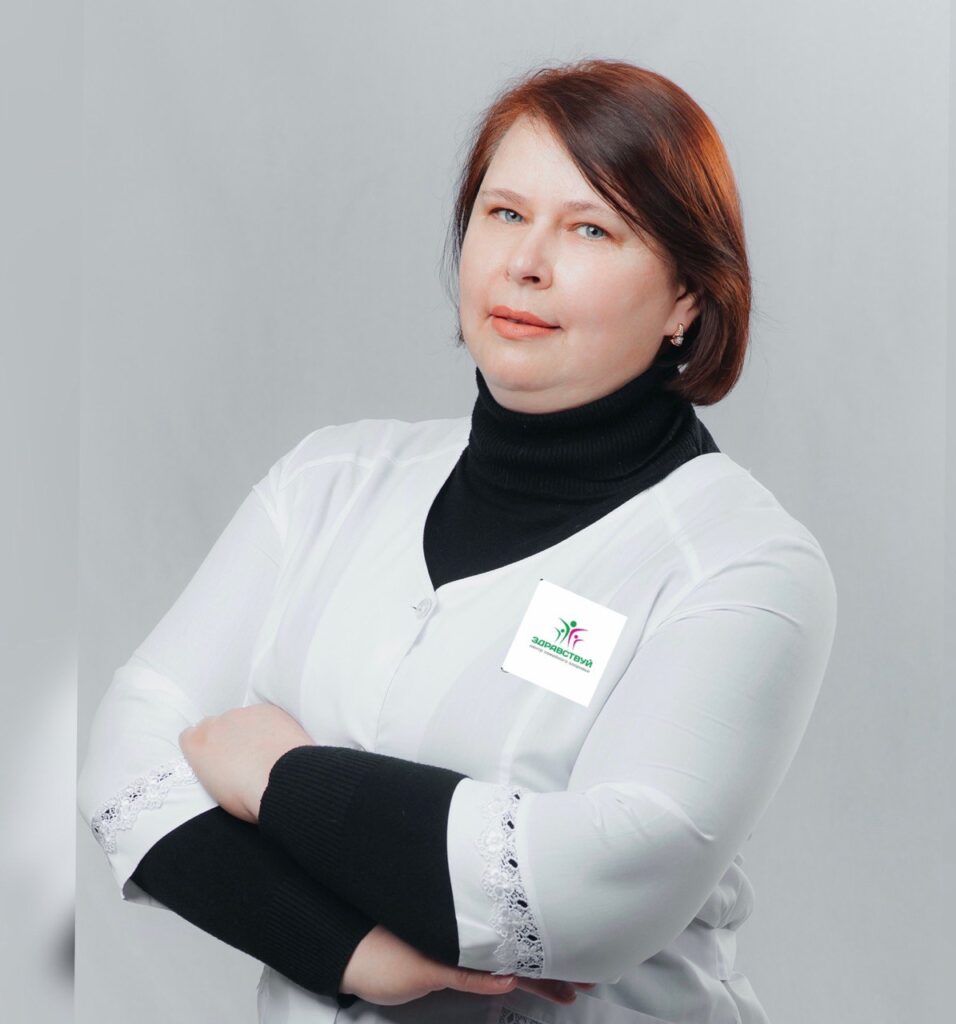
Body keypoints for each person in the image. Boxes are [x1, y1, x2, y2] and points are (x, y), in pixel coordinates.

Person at [77, 58, 838, 1024]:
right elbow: (125, 764)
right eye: (504, 213)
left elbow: (591, 889)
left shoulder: (742, 564)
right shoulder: (328, 482)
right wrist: (354, 954)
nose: (526, 262)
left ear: (688, 295)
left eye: (592, 228)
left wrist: (272, 775)